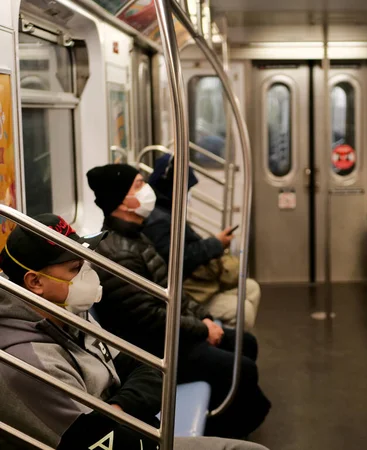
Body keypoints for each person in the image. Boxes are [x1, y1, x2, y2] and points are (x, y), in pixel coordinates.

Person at [0, 213, 269, 450]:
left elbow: (147, 370)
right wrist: (129, 409)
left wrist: (117, 409)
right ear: (35, 282)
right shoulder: (26, 362)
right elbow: (99, 439)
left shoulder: (67, 314)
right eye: (75, 268)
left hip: (137, 430)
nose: (87, 274)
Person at [86, 164, 271, 439]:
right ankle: (222, 434)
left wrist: (204, 318)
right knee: (242, 368)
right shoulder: (117, 253)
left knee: (247, 343)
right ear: (121, 201)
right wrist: (202, 330)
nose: (147, 190)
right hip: (155, 347)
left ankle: (230, 413)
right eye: (138, 185)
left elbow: (171, 291)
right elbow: (149, 317)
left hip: (170, 334)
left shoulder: (136, 236)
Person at [143, 154, 261, 329]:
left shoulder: (167, 210)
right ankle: (227, 346)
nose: (188, 194)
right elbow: (177, 259)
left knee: (251, 287)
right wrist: (216, 244)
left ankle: (236, 342)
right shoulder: (158, 220)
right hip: (188, 288)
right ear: (173, 187)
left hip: (195, 282)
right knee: (243, 310)